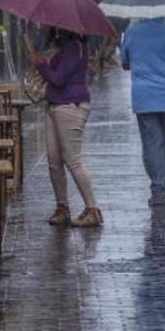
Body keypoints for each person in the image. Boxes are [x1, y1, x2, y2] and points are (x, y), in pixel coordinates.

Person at [31, 28, 102, 227]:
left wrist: (42, 66)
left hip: (70, 106)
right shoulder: (64, 48)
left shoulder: (74, 47)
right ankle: (62, 207)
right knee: (54, 160)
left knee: (73, 159)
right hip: (54, 106)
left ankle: (92, 209)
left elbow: (59, 78)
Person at [120, 18, 165, 206]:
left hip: (144, 96)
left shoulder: (131, 33)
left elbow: (125, 63)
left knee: (152, 142)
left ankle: (158, 187)